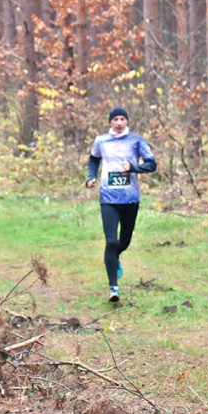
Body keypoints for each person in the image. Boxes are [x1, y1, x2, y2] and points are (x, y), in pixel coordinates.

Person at [85, 107, 157, 302]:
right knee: (110, 242)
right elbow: (93, 159)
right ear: (110, 122)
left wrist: (134, 167)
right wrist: (91, 176)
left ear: (126, 122)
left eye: (122, 119)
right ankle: (113, 287)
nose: (118, 123)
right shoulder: (101, 141)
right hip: (108, 198)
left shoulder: (136, 140)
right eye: (115, 119)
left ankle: (114, 259)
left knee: (123, 242)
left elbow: (152, 164)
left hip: (130, 199)